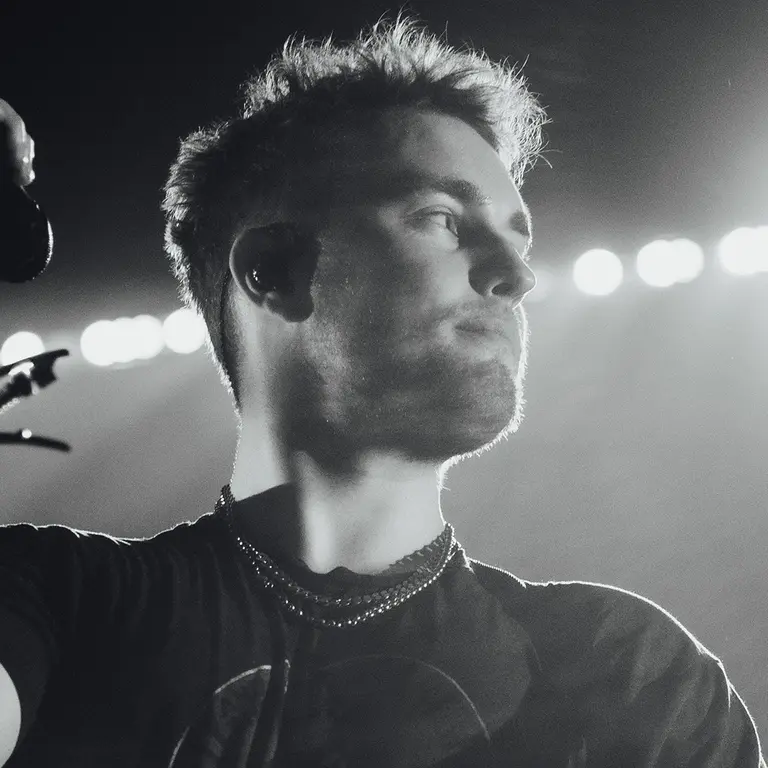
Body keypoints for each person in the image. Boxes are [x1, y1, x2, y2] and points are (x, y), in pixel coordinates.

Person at [0, 17, 764, 768]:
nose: (516, 272)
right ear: (273, 270)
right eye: (442, 218)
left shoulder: (632, 675)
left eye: (518, 236)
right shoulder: (57, 609)